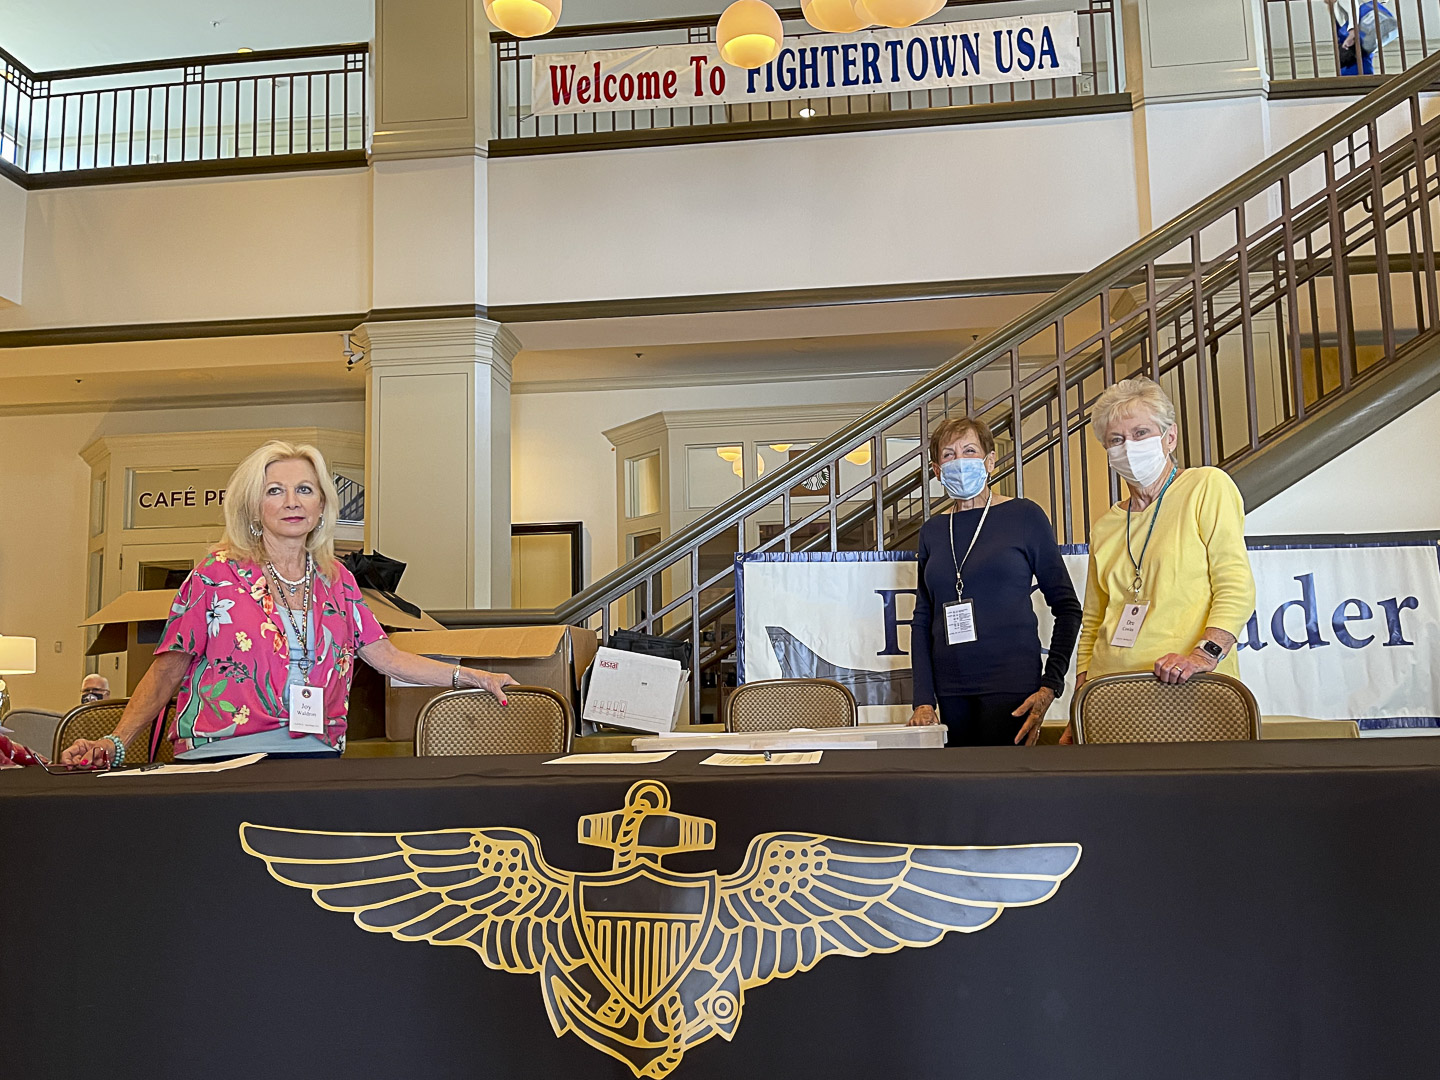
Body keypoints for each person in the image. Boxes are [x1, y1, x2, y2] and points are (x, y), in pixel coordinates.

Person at [61, 441, 517, 767]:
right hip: (222, 755)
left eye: (305, 489)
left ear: (321, 505)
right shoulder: (215, 576)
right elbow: (168, 670)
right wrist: (117, 742)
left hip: (315, 754)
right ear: (253, 506)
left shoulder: (338, 582)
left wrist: (470, 675)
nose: (292, 501)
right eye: (274, 490)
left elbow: (388, 658)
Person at [1063, 377, 1256, 744]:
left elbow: (1235, 585)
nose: (1129, 446)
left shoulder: (1206, 487)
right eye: (1117, 440)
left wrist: (1205, 654)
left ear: (1170, 438)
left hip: (1190, 689)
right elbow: (1093, 621)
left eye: (1141, 433)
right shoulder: (1105, 525)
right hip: (1109, 696)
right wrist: (1080, 702)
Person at [907, 416, 1083, 747]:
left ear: (989, 461)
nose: (959, 461)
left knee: (1008, 792)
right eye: (949, 455)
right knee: (958, 792)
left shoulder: (1025, 516)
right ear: (936, 470)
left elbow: (1068, 608)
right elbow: (922, 618)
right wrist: (923, 699)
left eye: (969, 451)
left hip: (1012, 687)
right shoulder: (931, 531)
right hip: (951, 691)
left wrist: (1050, 686)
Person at [1331, 1, 1397, 75]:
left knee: (1358, 63)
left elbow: (1352, 5)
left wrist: (1353, 30)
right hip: (1356, 53)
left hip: (1354, 53)